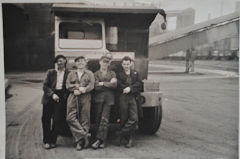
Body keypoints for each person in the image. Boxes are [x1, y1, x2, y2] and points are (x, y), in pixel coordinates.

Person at [66, 56, 95, 151]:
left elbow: (92, 85)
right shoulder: (71, 73)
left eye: (82, 61)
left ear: (85, 63)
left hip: (86, 97)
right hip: (73, 96)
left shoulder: (89, 73)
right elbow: (67, 85)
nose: (80, 63)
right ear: (75, 63)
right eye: (78, 61)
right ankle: (85, 135)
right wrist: (76, 88)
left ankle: (80, 142)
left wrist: (84, 90)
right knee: (70, 118)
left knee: (85, 119)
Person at [41, 55, 70, 149]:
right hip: (50, 97)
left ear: (65, 61)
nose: (59, 62)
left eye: (61, 61)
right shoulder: (51, 72)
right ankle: (46, 141)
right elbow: (45, 86)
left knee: (57, 120)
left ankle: (53, 140)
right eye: (57, 61)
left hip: (61, 97)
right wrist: (52, 94)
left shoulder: (69, 73)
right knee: (46, 119)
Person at [91, 55, 117, 149]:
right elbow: (95, 86)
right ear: (100, 62)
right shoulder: (95, 74)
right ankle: (101, 139)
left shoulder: (112, 73)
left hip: (109, 100)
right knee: (98, 120)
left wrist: (102, 83)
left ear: (109, 63)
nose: (105, 64)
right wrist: (108, 84)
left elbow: (114, 85)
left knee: (104, 119)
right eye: (103, 62)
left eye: (107, 62)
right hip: (98, 99)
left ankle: (99, 140)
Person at [117, 56, 142, 148]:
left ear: (131, 64)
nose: (126, 66)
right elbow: (118, 85)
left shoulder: (135, 73)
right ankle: (129, 139)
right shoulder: (119, 74)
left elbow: (140, 84)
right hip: (123, 97)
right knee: (124, 118)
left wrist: (130, 88)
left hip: (133, 97)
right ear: (122, 64)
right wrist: (124, 88)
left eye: (128, 64)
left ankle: (122, 132)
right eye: (124, 64)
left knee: (134, 118)